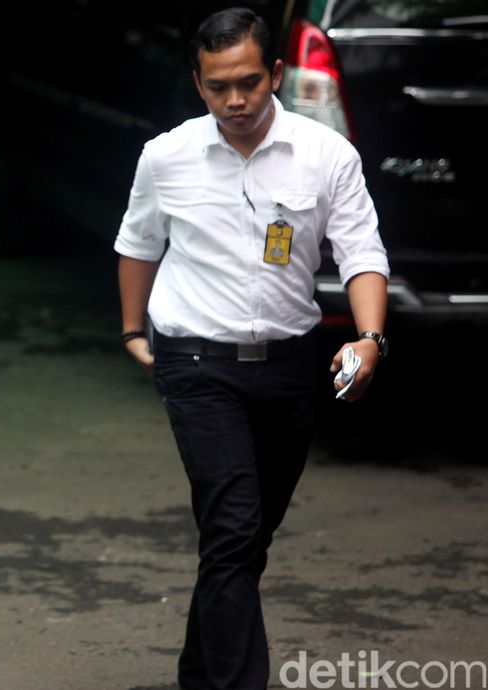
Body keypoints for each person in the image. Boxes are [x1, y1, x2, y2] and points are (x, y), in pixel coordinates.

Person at [115, 7, 389, 690]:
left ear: (276, 73)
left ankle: (200, 672)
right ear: (197, 83)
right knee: (235, 528)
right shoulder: (166, 156)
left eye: (248, 82)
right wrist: (132, 330)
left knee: (244, 537)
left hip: (290, 365)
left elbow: (362, 252)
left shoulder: (326, 154)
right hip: (197, 364)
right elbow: (138, 244)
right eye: (217, 87)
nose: (234, 100)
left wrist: (368, 338)